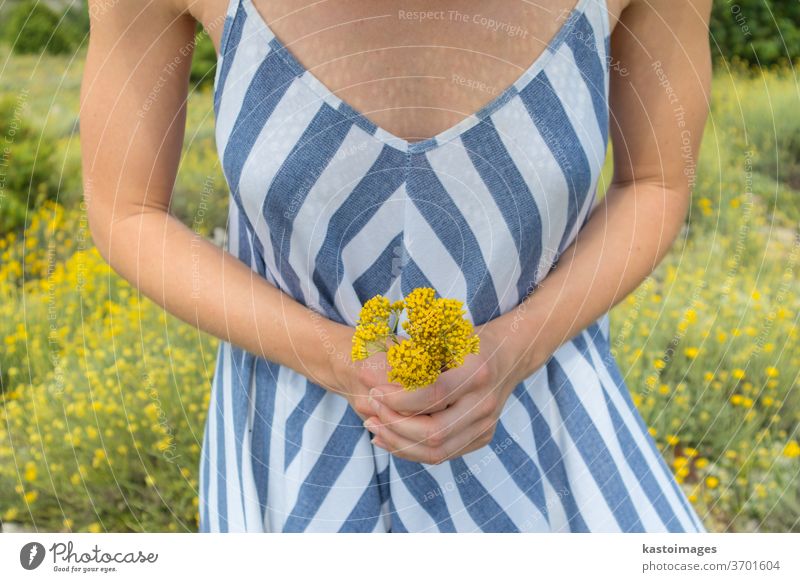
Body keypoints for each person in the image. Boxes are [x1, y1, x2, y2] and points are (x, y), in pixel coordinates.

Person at [80, 0, 712, 532]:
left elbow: (656, 181)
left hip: (551, 424)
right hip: (294, 444)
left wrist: (516, 347)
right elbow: (126, 209)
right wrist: (330, 356)